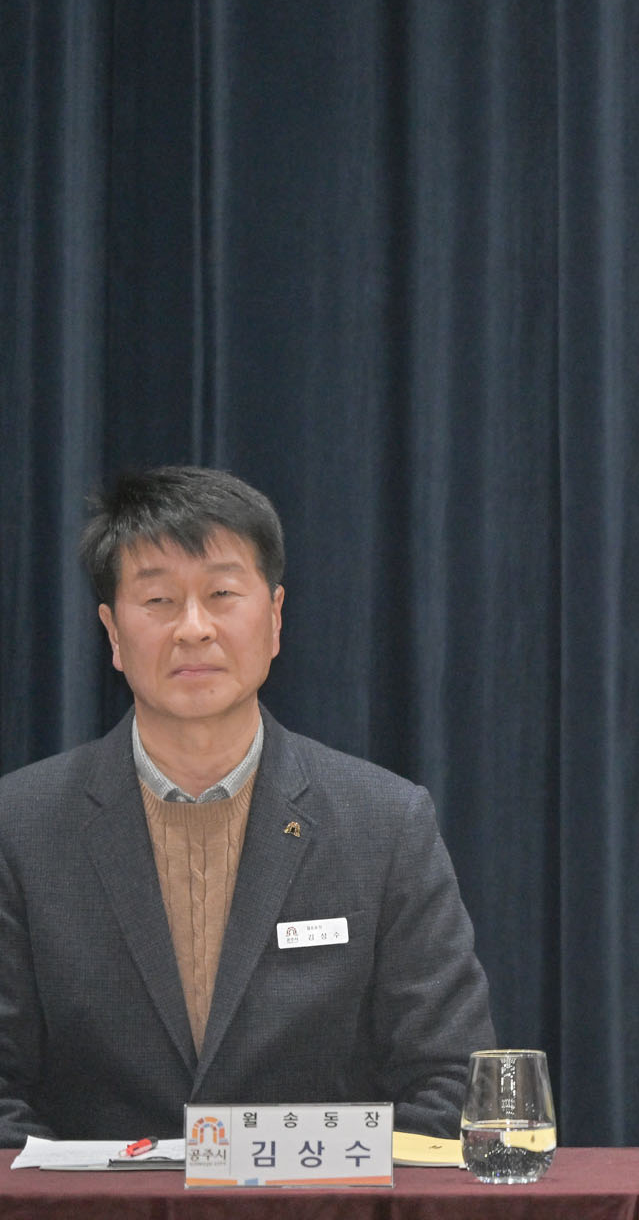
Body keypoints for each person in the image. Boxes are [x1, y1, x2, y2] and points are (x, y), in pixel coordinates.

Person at [0, 467, 495, 1146]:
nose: (194, 628)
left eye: (222, 594)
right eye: (159, 600)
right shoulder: (20, 826)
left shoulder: (384, 823)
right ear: (112, 632)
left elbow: (452, 1080)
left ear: (275, 616)